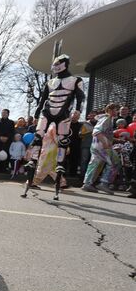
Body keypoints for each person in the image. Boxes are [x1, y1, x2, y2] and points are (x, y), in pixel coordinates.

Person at [24, 54, 85, 200]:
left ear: (65, 64)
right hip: (47, 112)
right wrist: (36, 113)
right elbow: (42, 100)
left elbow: (80, 97)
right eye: (54, 64)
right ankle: (32, 161)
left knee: (63, 141)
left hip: (63, 113)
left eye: (58, 63)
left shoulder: (76, 80)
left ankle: (58, 171)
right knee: (38, 136)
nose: (55, 66)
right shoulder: (50, 82)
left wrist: (78, 110)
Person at [82, 103, 120, 194]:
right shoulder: (107, 118)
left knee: (94, 163)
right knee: (115, 162)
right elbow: (96, 131)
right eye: (116, 109)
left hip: (97, 146)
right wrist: (105, 143)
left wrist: (114, 140)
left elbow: (104, 133)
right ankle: (104, 183)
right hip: (102, 147)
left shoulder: (106, 118)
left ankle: (87, 183)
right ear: (110, 110)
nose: (118, 111)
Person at [0, 109, 15, 173]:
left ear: (8, 114)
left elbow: (12, 132)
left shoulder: (11, 122)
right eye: (2, 113)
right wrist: (0, 137)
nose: (3, 114)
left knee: (6, 155)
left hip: (7, 142)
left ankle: (5, 168)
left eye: (5, 113)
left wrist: (7, 138)